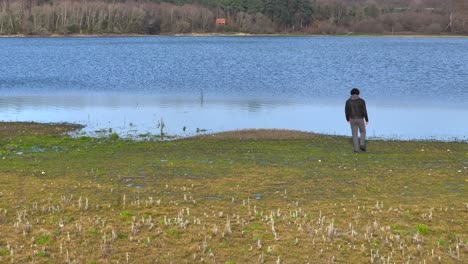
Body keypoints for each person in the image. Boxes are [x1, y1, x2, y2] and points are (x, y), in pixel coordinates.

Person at [345, 88, 369, 153]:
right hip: (360, 119)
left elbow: (346, 111)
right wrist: (366, 119)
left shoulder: (348, 101)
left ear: (351, 93)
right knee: (363, 132)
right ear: (358, 93)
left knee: (354, 134)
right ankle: (361, 144)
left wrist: (347, 119)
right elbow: (364, 111)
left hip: (352, 119)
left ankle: (356, 149)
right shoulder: (362, 101)